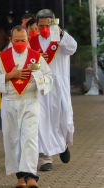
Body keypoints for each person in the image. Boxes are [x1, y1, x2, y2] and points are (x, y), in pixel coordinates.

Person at [0, 25, 53, 188]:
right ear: (11, 40)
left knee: (30, 138)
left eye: (23, 40)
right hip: (10, 102)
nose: (20, 43)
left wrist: (38, 80)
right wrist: (10, 75)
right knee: (13, 139)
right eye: (17, 40)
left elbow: (49, 77)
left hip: (30, 101)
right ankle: (20, 177)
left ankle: (31, 177)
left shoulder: (36, 57)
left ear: (27, 39)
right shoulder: (1, 58)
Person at [29, 9, 77, 171]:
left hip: (59, 85)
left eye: (48, 24)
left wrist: (60, 33)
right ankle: (45, 158)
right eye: (41, 25)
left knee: (64, 118)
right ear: (36, 25)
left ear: (54, 23)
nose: (44, 28)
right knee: (42, 120)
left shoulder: (61, 37)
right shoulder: (32, 41)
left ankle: (63, 144)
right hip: (42, 86)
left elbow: (73, 48)